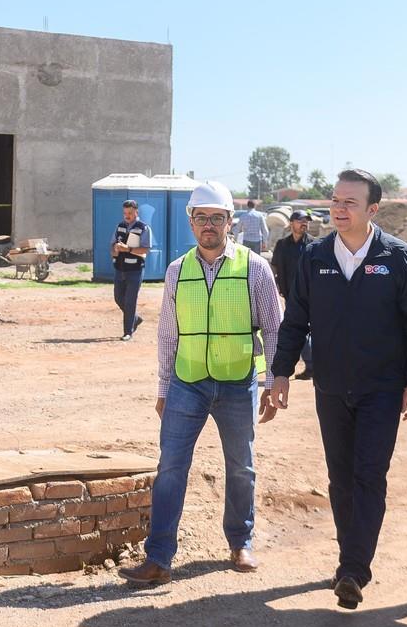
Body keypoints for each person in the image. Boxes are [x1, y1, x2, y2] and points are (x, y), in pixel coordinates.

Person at [270, 169, 407, 610]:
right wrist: (281, 371)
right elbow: (296, 320)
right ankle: (350, 561)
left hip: (382, 389)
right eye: (335, 201)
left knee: (369, 475)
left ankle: (355, 568)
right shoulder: (316, 256)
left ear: (372, 210)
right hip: (331, 387)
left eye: (349, 203)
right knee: (339, 478)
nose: (338, 210)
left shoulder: (396, 257)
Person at [119, 181, 282, 586]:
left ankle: (240, 541)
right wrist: (163, 387)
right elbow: (167, 334)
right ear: (191, 222)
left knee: (240, 466)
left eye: (217, 218)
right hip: (187, 383)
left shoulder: (254, 267)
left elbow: (275, 328)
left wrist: (272, 379)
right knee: (171, 467)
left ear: (230, 221)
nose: (209, 225)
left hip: (236, 381)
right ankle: (158, 559)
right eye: (202, 218)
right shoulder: (178, 270)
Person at [269, 209, 315, 380]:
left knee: (306, 331)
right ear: (291, 223)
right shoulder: (282, 245)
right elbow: (274, 267)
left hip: (311, 296)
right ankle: (311, 367)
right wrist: (275, 286)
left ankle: (312, 366)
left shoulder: (312, 245)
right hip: (290, 296)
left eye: (306, 221)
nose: (305, 224)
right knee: (299, 330)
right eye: (301, 220)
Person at [110, 199, 151, 341]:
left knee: (130, 301)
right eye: (125, 213)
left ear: (136, 212)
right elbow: (112, 245)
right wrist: (115, 249)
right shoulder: (119, 226)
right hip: (119, 269)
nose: (127, 216)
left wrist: (128, 249)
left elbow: (145, 249)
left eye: (130, 213)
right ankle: (135, 318)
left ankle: (128, 332)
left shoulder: (143, 228)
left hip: (135, 270)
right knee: (118, 298)